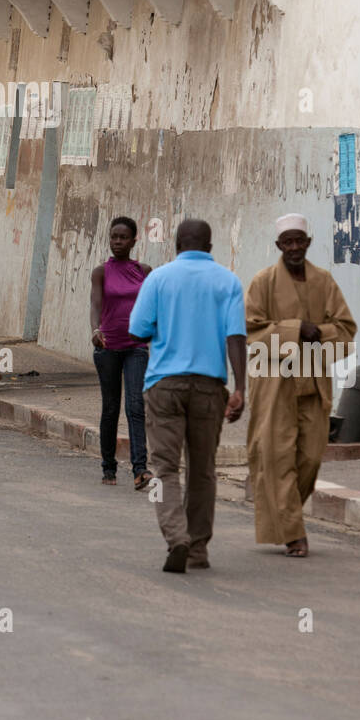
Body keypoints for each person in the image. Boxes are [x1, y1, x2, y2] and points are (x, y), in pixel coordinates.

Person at [128, 218, 246, 573]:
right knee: (203, 470)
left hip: (164, 385)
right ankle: (197, 549)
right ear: (210, 247)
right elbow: (236, 337)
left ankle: (176, 537)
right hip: (210, 387)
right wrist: (240, 388)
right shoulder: (228, 281)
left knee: (164, 469)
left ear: (177, 245)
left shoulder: (159, 278)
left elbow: (137, 330)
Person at [245, 214, 356, 558]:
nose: (294, 247)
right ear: (279, 245)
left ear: (308, 242)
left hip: (314, 379)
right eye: (287, 242)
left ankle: (284, 517)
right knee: (277, 457)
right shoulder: (262, 282)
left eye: (299, 241)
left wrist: (317, 332)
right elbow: (251, 331)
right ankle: (294, 533)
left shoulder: (324, 281)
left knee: (310, 455)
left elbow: (346, 328)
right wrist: (295, 329)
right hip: (274, 379)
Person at [90, 217, 153, 490]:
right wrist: (95, 329)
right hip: (107, 347)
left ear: (134, 240)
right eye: (114, 237)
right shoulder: (100, 272)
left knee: (136, 406)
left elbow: (153, 306)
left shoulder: (145, 271)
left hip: (136, 347)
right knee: (111, 407)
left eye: (123, 237)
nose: (117, 242)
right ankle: (108, 466)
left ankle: (140, 469)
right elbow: (95, 304)